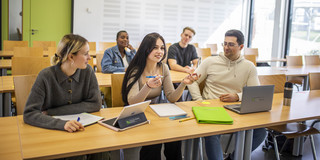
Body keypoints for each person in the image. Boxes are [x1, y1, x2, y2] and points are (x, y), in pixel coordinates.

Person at [23, 34, 107, 160]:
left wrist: (52, 112)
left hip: (80, 130)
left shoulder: (88, 71)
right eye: (85, 54)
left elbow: (95, 104)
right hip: (51, 133)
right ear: (71, 56)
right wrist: (62, 124)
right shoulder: (46, 76)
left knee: (103, 149)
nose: (90, 57)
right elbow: (29, 113)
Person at [187, 29, 266, 160]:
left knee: (260, 132)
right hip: (211, 108)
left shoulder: (249, 67)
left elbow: (255, 93)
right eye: (224, 43)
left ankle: (232, 158)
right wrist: (199, 100)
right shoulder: (210, 62)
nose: (226, 47)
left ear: (241, 47)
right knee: (212, 133)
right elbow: (192, 82)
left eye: (230, 44)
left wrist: (238, 96)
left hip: (235, 109)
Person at [122, 32, 199, 160]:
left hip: (155, 114)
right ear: (146, 49)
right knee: (154, 142)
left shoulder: (163, 67)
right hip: (136, 114)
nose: (160, 51)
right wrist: (148, 86)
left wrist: (183, 84)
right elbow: (132, 102)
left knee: (174, 137)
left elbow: (171, 97)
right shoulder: (135, 69)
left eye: (162, 48)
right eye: (155, 47)